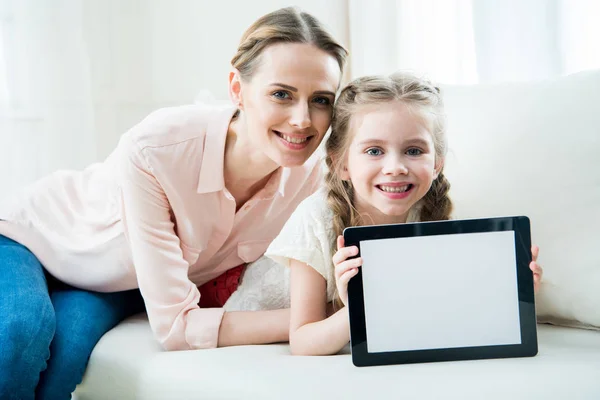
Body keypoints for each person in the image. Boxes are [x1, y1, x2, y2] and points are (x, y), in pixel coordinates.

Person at [0, 7, 347, 399]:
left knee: (67, 356)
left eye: (321, 100)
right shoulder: (157, 148)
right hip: (31, 239)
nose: (303, 120)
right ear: (237, 88)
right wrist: (309, 323)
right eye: (281, 94)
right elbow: (176, 329)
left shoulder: (315, 180)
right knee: (19, 336)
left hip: (110, 281)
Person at [265, 72, 543, 356]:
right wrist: (359, 308)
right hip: (257, 304)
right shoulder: (315, 219)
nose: (395, 167)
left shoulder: (429, 212)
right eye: (374, 150)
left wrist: (509, 292)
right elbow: (302, 341)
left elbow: (444, 312)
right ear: (342, 164)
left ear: (437, 164)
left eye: (413, 150)